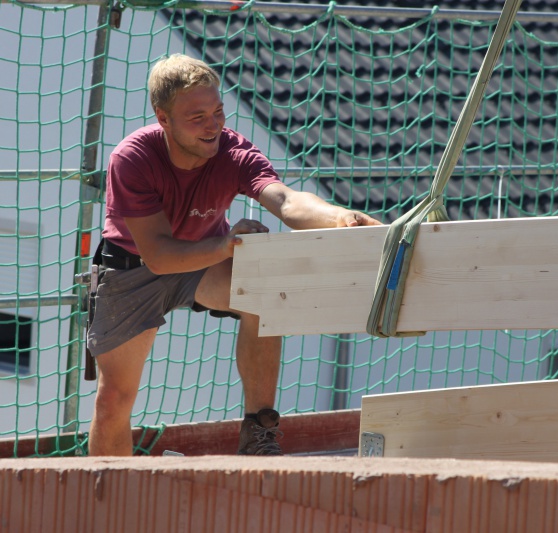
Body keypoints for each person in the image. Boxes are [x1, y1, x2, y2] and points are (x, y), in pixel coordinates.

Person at [86, 53, 381, 456]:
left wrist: (341, 218)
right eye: (198, 117)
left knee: (265, 294)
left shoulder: (234, 151)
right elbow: (159, 257)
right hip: (132, 269)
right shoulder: (132, 158)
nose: (213, 125)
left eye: (218, 111)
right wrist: (226, 245)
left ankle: (258, 431)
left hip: (204, 262)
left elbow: (288, 202)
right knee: (112, 403)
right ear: (163, 117)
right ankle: (108, 505)